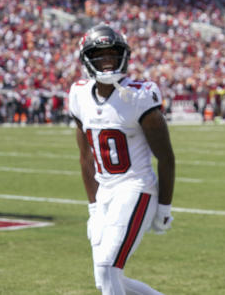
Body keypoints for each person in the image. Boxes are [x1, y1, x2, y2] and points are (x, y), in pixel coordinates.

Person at [69, 24, 176, 294]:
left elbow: (165, 157)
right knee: (106, 279)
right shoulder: (79, 94)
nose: (107, 61)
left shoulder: (139, 95)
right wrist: (93, 209)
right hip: (105, 192)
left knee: (107, 267)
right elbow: (86, 158)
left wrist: (164, 207)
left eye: (112, 55)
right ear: (87, 60)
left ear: (123, 56)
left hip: (136, 187)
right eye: (100, 55)